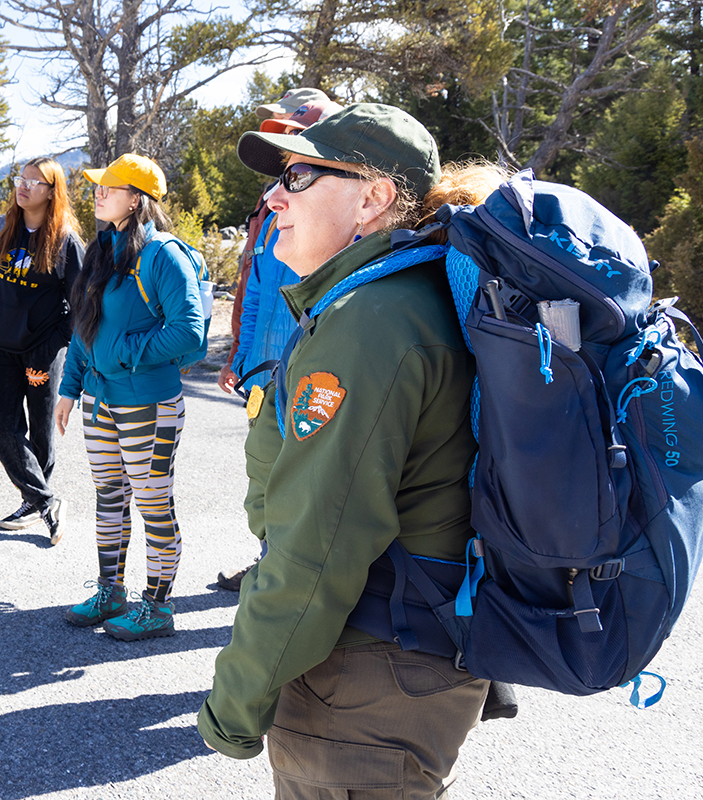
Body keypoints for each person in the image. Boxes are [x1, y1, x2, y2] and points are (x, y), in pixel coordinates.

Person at [197, 103, 490, 797]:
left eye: (299, 175)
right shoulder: (403, 296)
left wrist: (233, 707)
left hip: (365, 677)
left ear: (374, 198)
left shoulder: (370, 324)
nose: (274, 195)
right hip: (408, 660)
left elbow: (315, 550)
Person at [55, 153, 204, 641]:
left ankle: (158, 607)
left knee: (152, 502)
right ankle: (110, 591)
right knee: (109, 498)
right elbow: (84, 326)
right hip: (100, 401)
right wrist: (70, 388)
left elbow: (190, 333)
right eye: (99, 186)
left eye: (110, 187)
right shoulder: (103, 248)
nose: (98, 193)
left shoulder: (163, 255)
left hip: (147, 402)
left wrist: (124, 353)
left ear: (137, 198)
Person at [213, 90, 341, 591]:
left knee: (303, 480)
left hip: (307, 371)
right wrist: (238, 357)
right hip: (264, 370)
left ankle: (290, 578)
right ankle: (269, 562)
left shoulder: (333, 210)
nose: (278, 137)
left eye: (290, 128)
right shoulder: (271, 205)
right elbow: (254, 287)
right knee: (265, 475)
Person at [0, 157, 85, 545]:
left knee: (40, 429)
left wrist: (52, 346)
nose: (24, 186)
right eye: (21, 178)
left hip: (41, 353)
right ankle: (45, 501)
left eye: (35, 182)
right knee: (3, 426)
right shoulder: (2, 228)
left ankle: (32, 499)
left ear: (52, 191)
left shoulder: (65, 242)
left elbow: (81, 304)